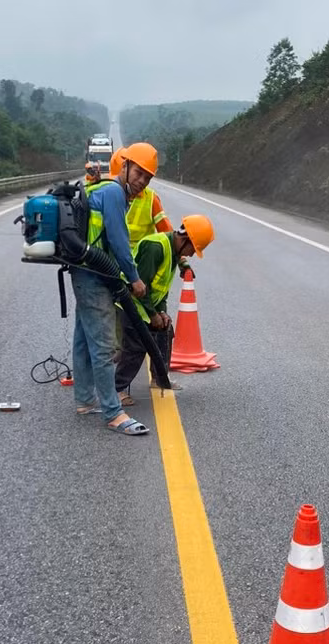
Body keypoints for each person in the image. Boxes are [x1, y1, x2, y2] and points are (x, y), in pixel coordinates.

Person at [72, 142, 159, 436]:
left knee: (84, 338)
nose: (142, 181)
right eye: (139, 173)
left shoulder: (106, 191)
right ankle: (113, 412)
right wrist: (134, 278)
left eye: (147, 178)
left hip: (88, 272)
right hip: (93, 275)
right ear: (124, 166)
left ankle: (85, 400)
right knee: (104, 345)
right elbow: (120, 241)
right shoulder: (112, 193)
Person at [115, 214, 215, 406]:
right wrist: (153, 314)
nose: (192, 254)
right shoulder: (156, 247)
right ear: (185, 240)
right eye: (193, 249)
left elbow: (160, 288)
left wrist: (161, 312)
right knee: (136, 346)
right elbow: (140, 286)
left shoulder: (173, 252)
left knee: (165, 331)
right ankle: (117, 389)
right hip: (130, 302)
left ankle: (159, 378)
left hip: (146, 304)